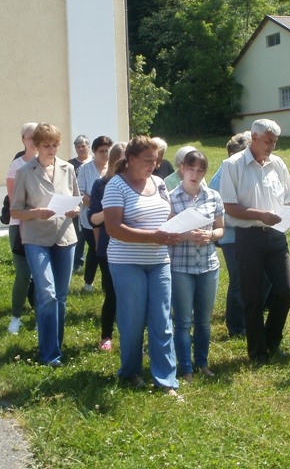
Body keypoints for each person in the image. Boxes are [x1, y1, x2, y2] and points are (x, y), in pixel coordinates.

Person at [102, 136, 182, 399]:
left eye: (156, 160)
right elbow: (113, 228)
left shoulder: (158, 183)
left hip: (159, 261)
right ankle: (130, 372)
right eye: (148, 160)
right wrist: (153, 237)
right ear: (131, 159)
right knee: (132, 319)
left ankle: (166, 380)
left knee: (162, 320)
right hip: (126, 262)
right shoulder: (116, 185)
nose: (155, 165)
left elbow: (166, 215)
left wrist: (179, 228)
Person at [219, 119, 290, 365]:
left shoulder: (278, 164)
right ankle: (257, 351)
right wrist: (259, 215)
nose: (272, 146)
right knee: (251, 297)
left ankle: (271, 341)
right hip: (248, 236)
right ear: (253, 137)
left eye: (275, 141)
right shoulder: (232, 165)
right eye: (268, 141)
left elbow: (288, 198)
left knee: (286, 291)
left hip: (276, 235)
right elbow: (229, 207)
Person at [10, 123, 80, 367]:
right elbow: (15, 209)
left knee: (60, 295)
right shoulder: (24, 171)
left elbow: (77, 201)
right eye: (45, 145)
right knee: (47, 293)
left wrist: (75, 210)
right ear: (35, 145)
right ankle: (49, 353)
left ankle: (55, 348)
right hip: (35, 238)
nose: (51, 149)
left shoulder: (68, 168)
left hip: (64, 236)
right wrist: (36, 212)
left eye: (54, 145)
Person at [168, 150, 224, 383]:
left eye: (201, 170)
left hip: (208, 265)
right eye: (191, 168)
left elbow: (221, 229)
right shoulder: (171, 196)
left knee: (203, 320)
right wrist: (187, 235)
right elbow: (167, 232)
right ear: (182, 169)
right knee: (182, 321)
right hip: (181, 265)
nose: (195, 174)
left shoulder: (213, 196)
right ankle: (186, 367)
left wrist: (210, 235)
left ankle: (202, 363)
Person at [209, 131, 251, 338]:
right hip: (231, 236)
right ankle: (236, 327)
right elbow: (215, 206)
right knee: (238, 279)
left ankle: (250, 317)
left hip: (249, 233)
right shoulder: (223, 173)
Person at [88, 142, 125, 352]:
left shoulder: (137, 183)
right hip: (108, 246)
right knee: (111, 293)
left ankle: (132, 334)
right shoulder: (100, 185)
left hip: (131, 246)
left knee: (131, 295)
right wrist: (109, 209)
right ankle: (106, 335)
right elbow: (93, 218)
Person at [6, 122, 38, 335]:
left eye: (37, 136)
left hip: (43, 225)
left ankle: (40, 316)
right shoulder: (16, 166)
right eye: (30, 137)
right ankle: (16, 317)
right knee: (23, 274)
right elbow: (13, 199)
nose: (34, 141)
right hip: (20, 226)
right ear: (23, 140)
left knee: (41, 275)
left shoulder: (47, 163)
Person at [77, 136, 113, 293]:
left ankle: (106, 285)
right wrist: (97, 204)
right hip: (89, 219)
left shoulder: (113, 168)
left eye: (107, 151)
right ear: (94, 151)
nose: (105, 154)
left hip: (110, 218)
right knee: (94, 249)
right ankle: (89, 282)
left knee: (105, 251)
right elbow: (80, 193)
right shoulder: (85, 169)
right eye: (101, 151)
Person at [69, 134, 90, 272]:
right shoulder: (70, 164)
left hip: (91, 203)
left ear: (88, 147)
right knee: (78, 234)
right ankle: (77, 262)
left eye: (83, 146)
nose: (81, 149)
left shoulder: (93, 163)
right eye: (78, 146)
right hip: (76, 203)